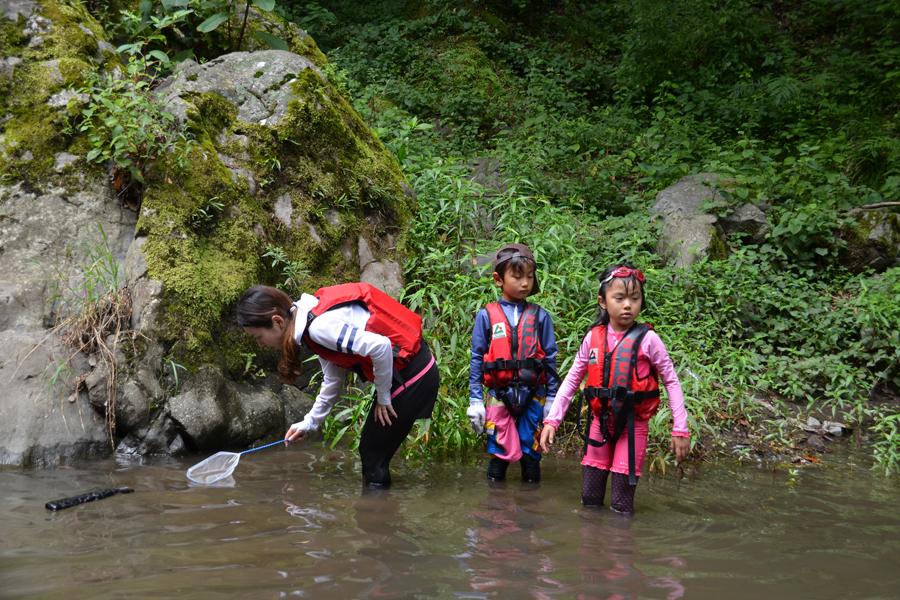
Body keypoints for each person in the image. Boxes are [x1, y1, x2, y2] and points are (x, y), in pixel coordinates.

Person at [237, 282, 439, 488]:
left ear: (278, 321)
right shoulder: (309, 324)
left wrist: (383, 396)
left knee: (372, 455)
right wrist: (309, 423)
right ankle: (376, 512)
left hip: (415, 377)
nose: (260, 344)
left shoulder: (319, 328)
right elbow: (333, 380)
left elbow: (381, 346)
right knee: (371, 454)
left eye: (258, 337)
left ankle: (376, 516)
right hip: (407, 374)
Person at [540, 264, 691, 515]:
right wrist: (552, 420)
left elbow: (671, 381)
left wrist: (680, 428)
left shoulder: (648, 339)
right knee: (589, 499)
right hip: (600, 422)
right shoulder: (593, 338)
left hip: (633, 427)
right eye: (619, 298)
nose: (627, 305)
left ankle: (619, 550)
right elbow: (572, 379)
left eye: (635, 298)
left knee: (621, 505)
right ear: (603, 301)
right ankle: (590, 549)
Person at [468, 243, 560, 482]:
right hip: (498, 394)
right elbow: (477, 358)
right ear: (499, 279)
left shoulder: (541, 316)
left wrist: (552, 398)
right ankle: (495, 510)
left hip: (534, 394)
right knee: (498, 454)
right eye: (517, 277)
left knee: (532, 453)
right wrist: (476, 399)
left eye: (529, 277)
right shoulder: (486, 316)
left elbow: (550, 359)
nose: (525, 283)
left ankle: (530, 510)